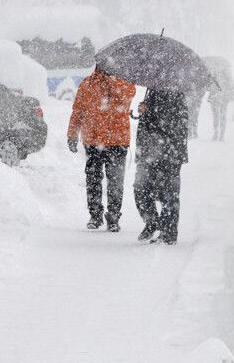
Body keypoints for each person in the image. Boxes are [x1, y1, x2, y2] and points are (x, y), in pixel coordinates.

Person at [68, 66, 136, 232]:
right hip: (95, 140)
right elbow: (78, 111)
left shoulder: (124, 83)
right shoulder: (88, 84)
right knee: (94, 180)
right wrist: (72, 134)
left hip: (115, 141)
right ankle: (96, 214)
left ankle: (112, 216)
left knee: (113, 181)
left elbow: (128, 96)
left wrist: (111, 82)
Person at [133, 88, 189, 245]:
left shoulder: (175, 94)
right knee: (140, 187)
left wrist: (148, 112)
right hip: (149, 151)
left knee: (168, 192)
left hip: (168, 153)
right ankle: (152, 222)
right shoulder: (153, 91)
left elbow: (169, 124)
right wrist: (144, 110)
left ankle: (168, 232)